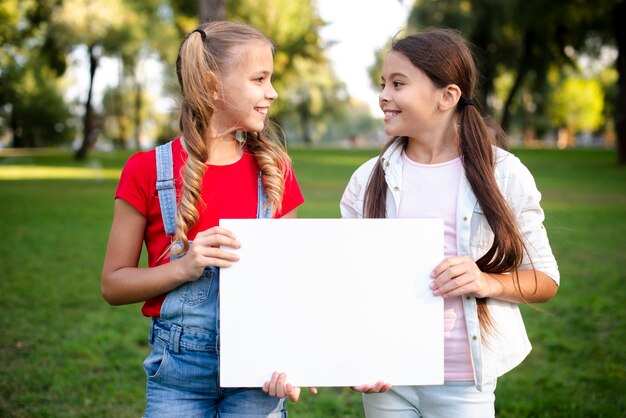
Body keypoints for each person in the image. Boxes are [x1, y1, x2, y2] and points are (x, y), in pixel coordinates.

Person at [340, 28, 559, 418]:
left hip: (463, 380)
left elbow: (544, 279)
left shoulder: (504, 175)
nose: (384, 96)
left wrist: (485, 281)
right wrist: (359, 356)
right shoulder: (366, 179)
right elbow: (352, 285)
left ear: (448, 96)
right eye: (383, 84)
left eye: (398, 83)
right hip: (387, 379)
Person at [101, 21, 308, 417]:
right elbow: (113, 285)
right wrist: (185, 267)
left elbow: (289, 286)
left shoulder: (275, 171)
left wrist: (294, 359)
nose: (272, 93)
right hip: (178, 373)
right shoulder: (146, 171)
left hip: (257, 371)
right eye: (259, 79)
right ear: (212, 86)